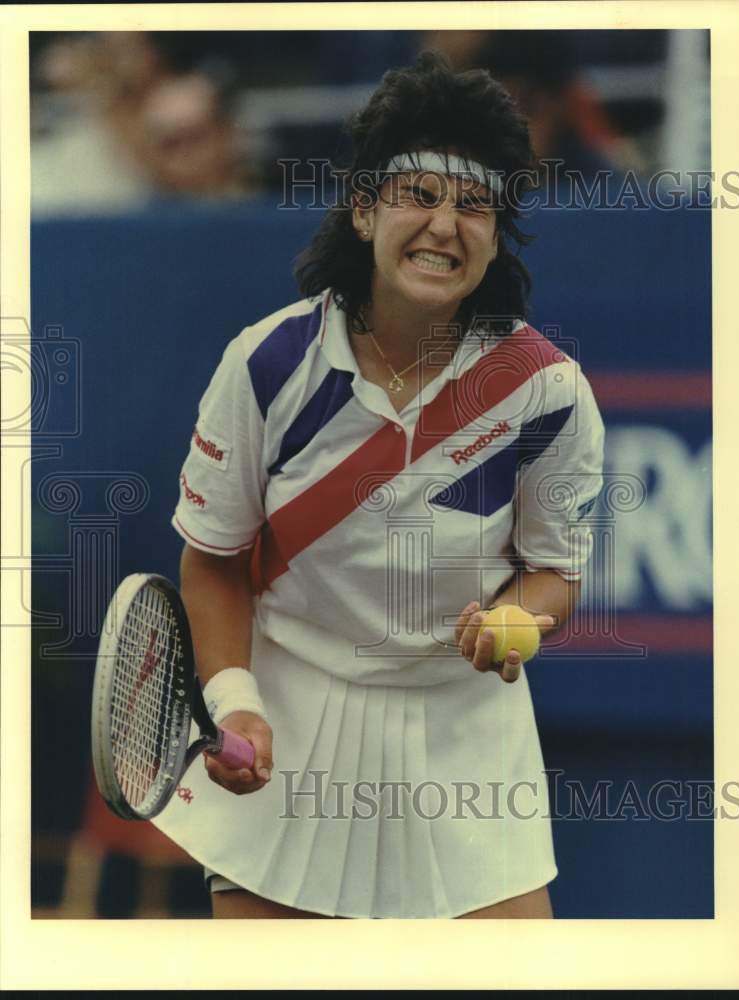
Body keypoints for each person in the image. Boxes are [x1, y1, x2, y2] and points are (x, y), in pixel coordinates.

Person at [152, 51, 605, 919]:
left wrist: (518, 620)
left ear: (497, 233)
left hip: (466, 742)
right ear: (364, 210)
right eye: (420, 196)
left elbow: (555, 575)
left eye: (475, 206)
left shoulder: (547, 392)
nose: (445, 225)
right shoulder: (266, 365)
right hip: (291, 726)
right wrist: (237, 706)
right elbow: (212, 561)